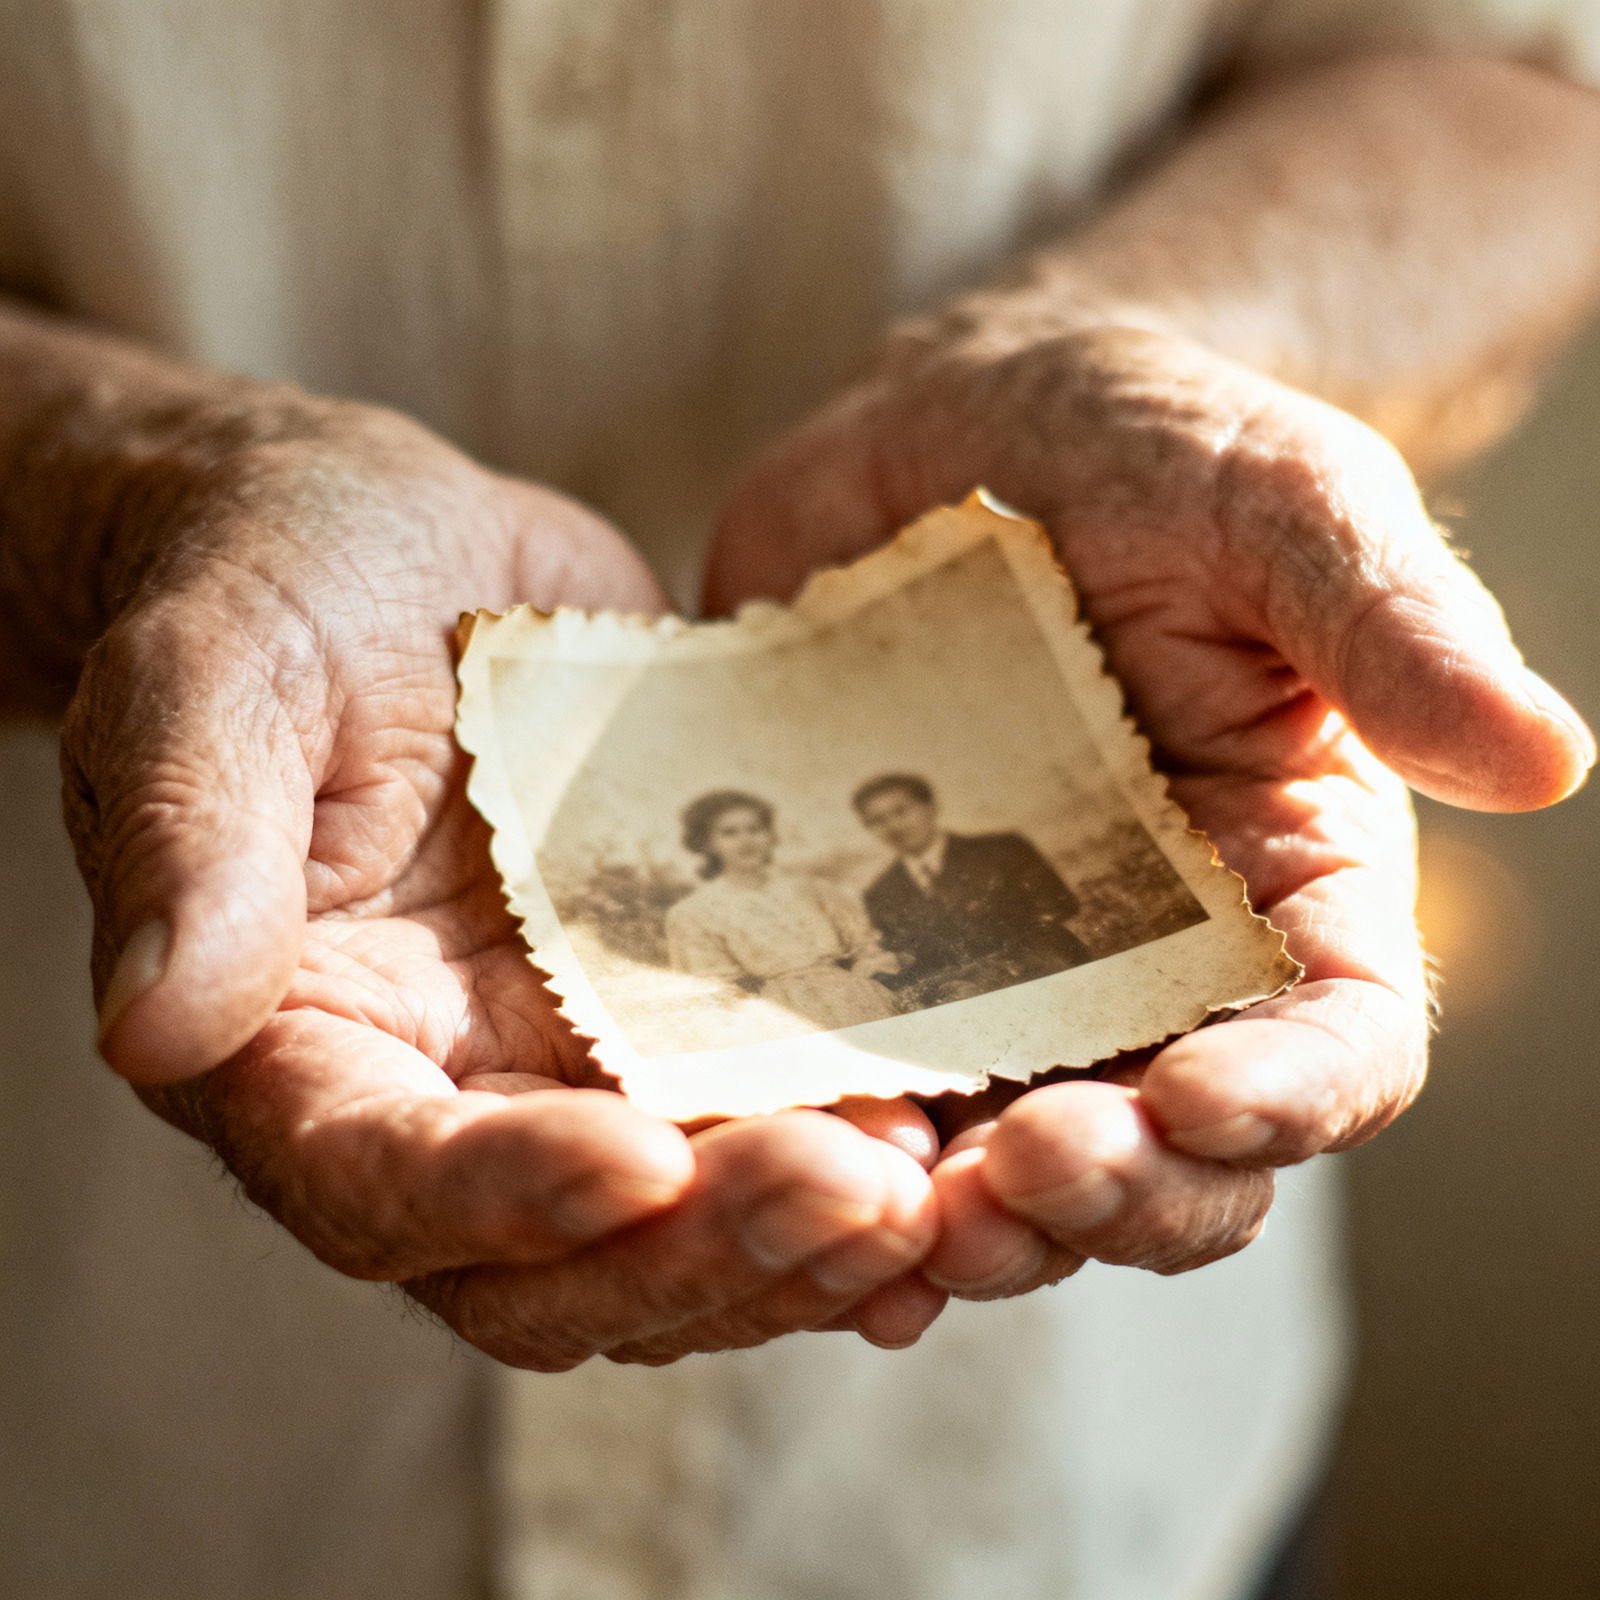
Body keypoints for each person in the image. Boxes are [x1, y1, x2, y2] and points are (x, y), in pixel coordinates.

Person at [3, 6, 1600, 1600]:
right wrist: (123, 492)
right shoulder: (715, 910)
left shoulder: (946, 872)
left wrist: (1158, 342)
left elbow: (1526, 84)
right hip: (144, 1428)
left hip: (1073, 1486)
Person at [665, 789, 900, 1028]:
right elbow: (715, 989)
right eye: (729, 833)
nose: (746, 841)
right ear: (707, 843)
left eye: (755, 830)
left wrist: (863, 981)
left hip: (858, 1000)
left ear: (769, 836)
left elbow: (864, 944)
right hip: (778, 1018)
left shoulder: (811, 889)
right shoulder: (694, 913)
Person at [853, 773, 1090, 1003]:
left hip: (1051, 976)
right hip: (967, 1001)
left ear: (930, 807)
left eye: (901, 811)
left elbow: (1059, 906)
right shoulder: (880, 894)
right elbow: (911, 958)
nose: (894, 826)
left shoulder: (1003, 849)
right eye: (877, 821)